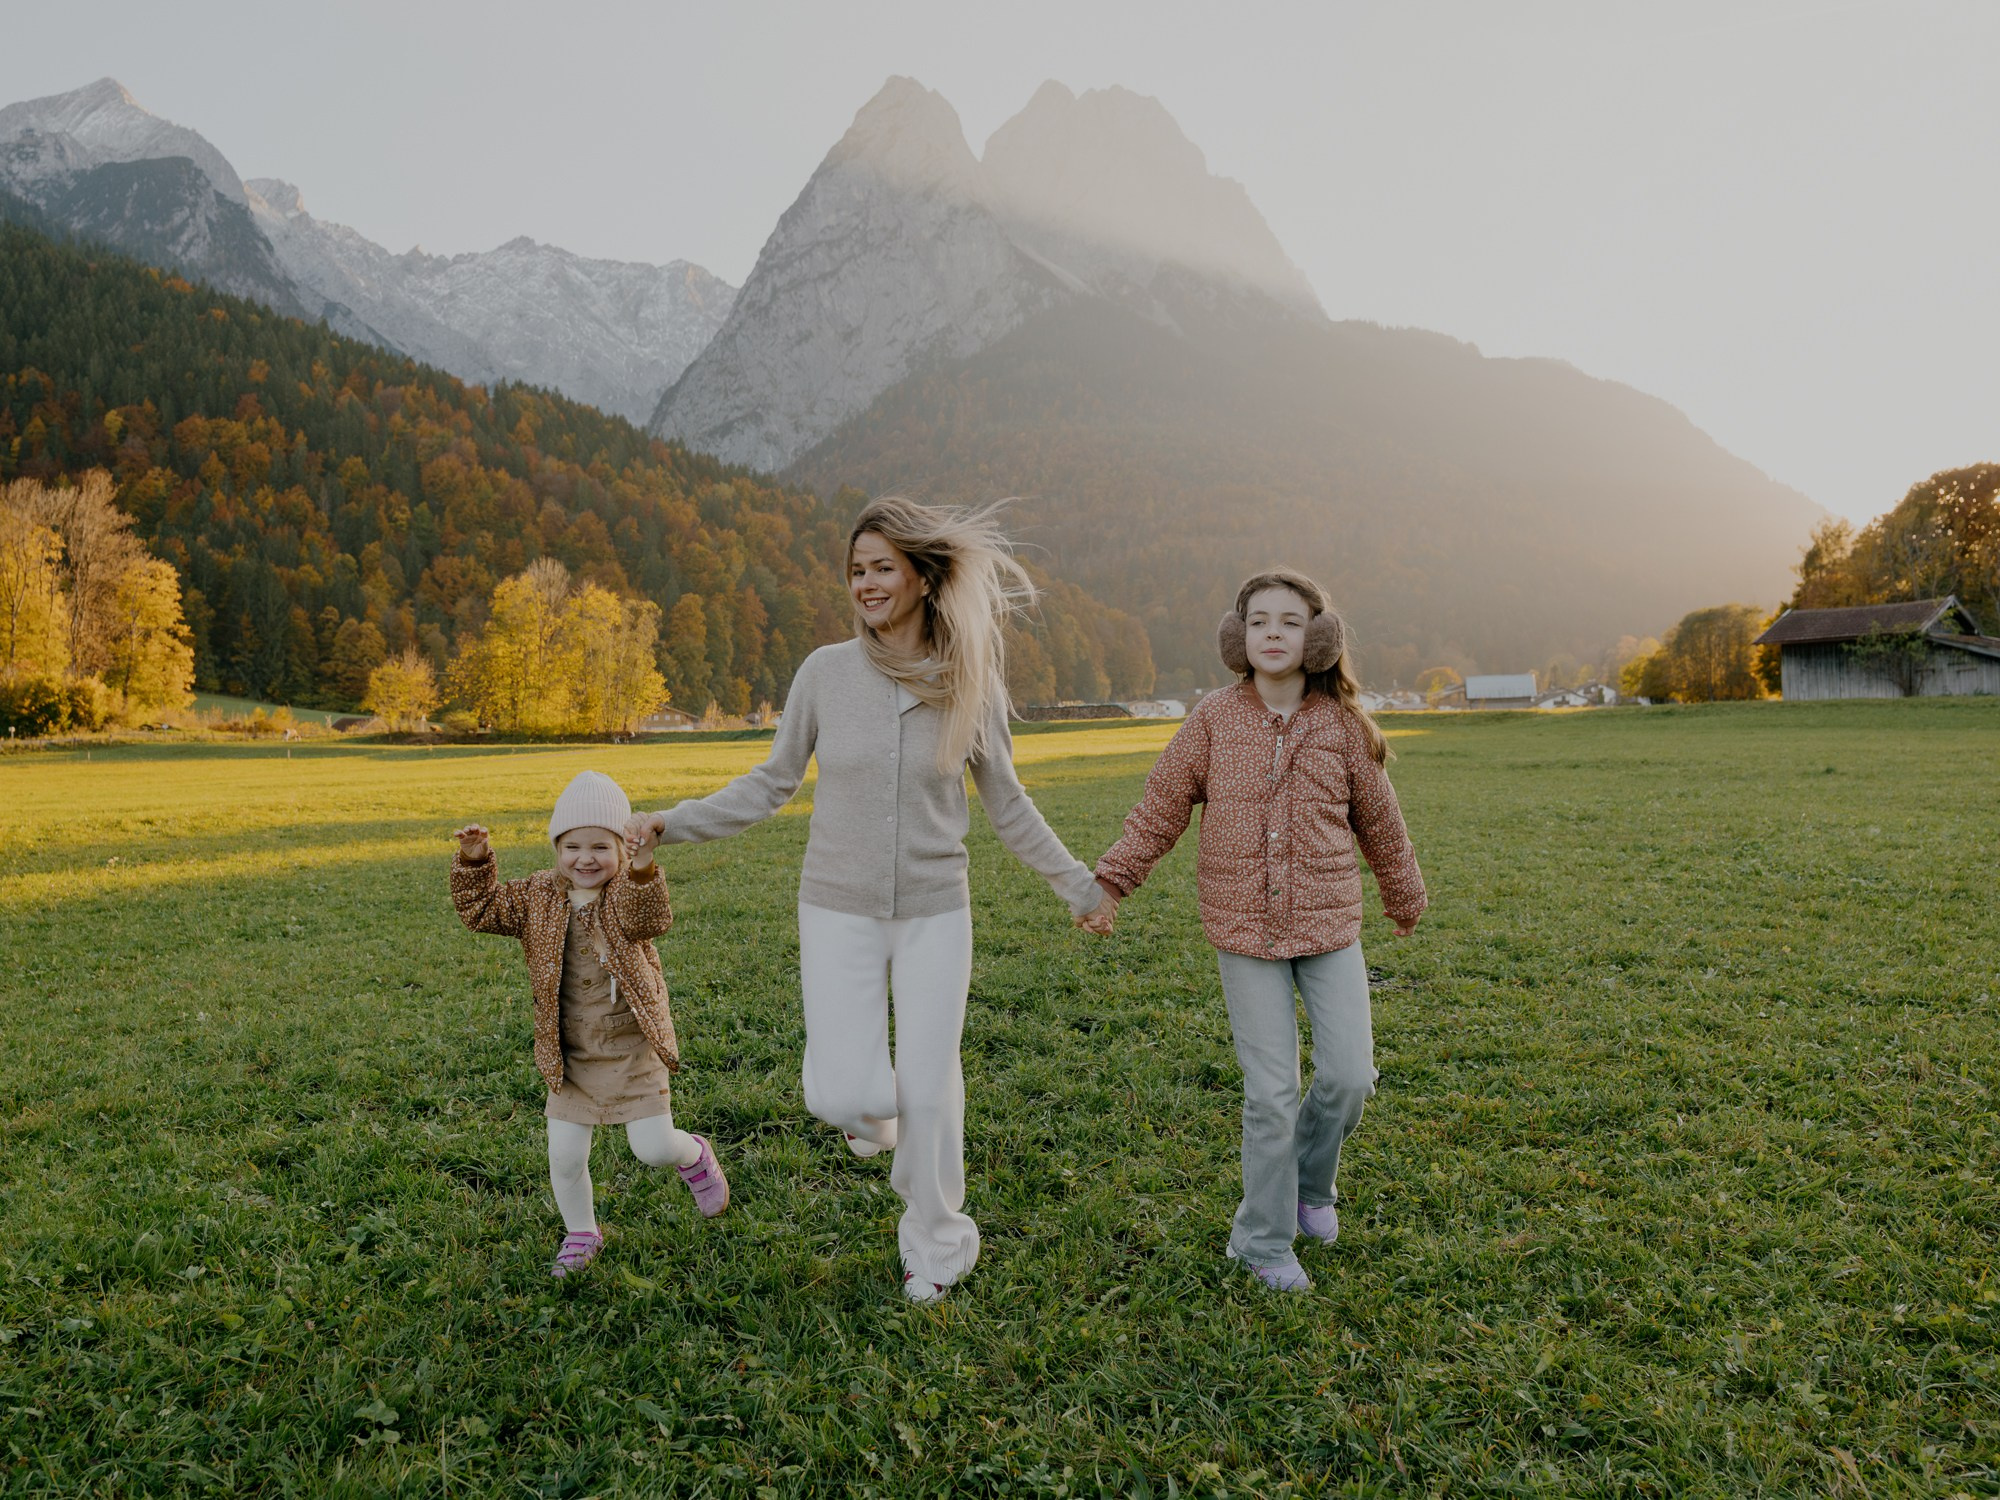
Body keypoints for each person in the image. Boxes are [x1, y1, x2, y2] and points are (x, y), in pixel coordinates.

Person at [625, 498, 1116, 1303]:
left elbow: (1009, 805)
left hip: (935, 911)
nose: (865, 583)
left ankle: (936, 1242)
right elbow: (772, 781)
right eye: (856, 571)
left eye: (881, 567)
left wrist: (1078, 885)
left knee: (930, 1083)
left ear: (923, 578)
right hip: (836, 908)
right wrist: (671, 824)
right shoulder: (824, 673)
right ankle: (880, 1126)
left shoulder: (970, 683)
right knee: (840, 1095)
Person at [1086, 569, 1427, 1293]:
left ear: (1320, 639)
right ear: (1239, 637)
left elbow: (1383, 825)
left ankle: (1311, 1185)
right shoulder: (1212, 719)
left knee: (1347, 1076)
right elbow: (1160, 808)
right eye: (1261, 621)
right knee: (1271, 1093)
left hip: (1330, 926)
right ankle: (1263, 1242)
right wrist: (1113, 882)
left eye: (1291, 621)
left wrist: (1404, 896)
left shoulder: (1342, 726)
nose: (1274, 633)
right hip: (1243, 931)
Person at [451, 770, 729, 1279]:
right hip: (571, 1052)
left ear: (621, 850)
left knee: (652, 1149)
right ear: (557, 849)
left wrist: (645, 865)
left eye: (600, 846)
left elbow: (650, 920)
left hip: (630, 1047)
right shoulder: (536, 895)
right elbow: (481, 911)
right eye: (572, 846)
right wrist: (475, 862)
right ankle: (581, 1231)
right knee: (564, 1155)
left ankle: (693, 1156)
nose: (585, 858)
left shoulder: (626, 892)